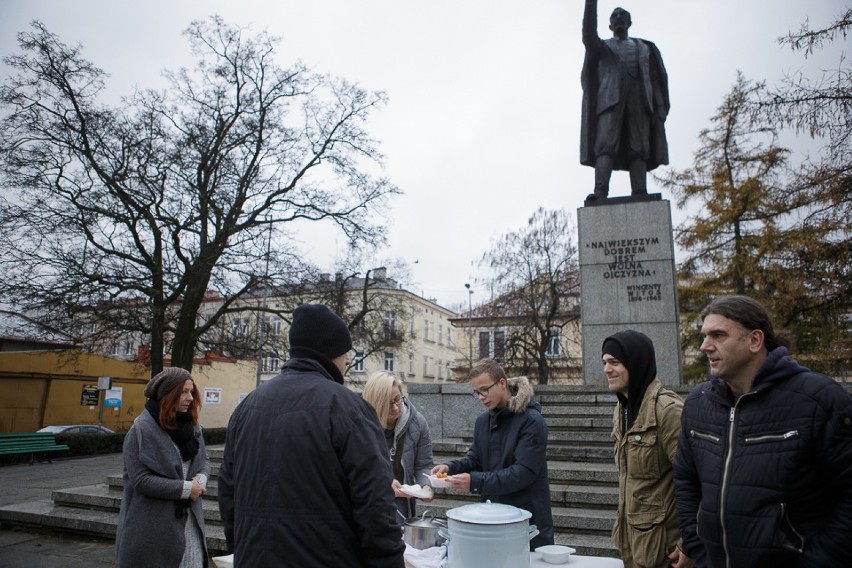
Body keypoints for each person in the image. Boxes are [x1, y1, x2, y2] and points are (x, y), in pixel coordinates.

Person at [217, 304, 405, 568]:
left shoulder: (247, 407)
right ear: (328, 353)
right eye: (344, 352)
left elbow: (228, 495)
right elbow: (376, 507)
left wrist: (242, 549)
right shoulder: (348, 409)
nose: (349, 360)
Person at [673, 295, 852, 567]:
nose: (704, 346)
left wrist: (818, 561)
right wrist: (698, 547)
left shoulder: (817, 399)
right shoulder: (698, 403)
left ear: (755, 341)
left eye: (718, 335)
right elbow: (686, 479)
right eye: (704, 336)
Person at [431, 358, 554, 550]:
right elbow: (475, 458)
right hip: (492, 517)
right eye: (476, 393)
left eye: (484, 390)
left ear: (502, 383)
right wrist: (450, 467)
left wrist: (474, 482)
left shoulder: (532, 421)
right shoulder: (483, 421)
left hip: (526, 522)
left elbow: (523, 473)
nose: (480, 397)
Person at [601, 330, 685, 568]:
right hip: (636, 546)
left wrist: (690, 541)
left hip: (668, 552)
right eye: (605, 362)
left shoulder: (668, 410)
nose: (607, 369)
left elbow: (698, 480)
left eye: (615, 362)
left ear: (635, 363)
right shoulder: (622, 408)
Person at [115, 367, 211, 568]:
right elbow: (140, 479)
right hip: (152, 530)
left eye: (191, 392)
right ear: (168, 395)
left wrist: (200, 481)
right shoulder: (139, 431)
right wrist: (186, 489)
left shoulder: (193, 428)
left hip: (190, 525)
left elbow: (204, 462)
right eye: (183, 392)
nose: (190, 398)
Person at [580, 0, 669, 201]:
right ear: (610, 26)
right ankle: (600, 191)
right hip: (610, 101)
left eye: (623, 16)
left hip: (639, 99)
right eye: (614, 17)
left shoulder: (644, 48)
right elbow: (588, 37)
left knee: (639, 147)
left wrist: (660, 105)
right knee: (605, 146)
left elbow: (654, 78)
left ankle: (639, 192)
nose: (619, 18)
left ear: (629, 22)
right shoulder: (602, 47)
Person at [363, 371, 435, 520]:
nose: (395, 408)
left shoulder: (417, 422)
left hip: (402, 509)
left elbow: (424, 464)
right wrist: (383, 484)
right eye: (388, 404)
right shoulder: (360, 424)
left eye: (398, 399)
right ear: (375, 403)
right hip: (367, 507)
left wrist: (427, 486)